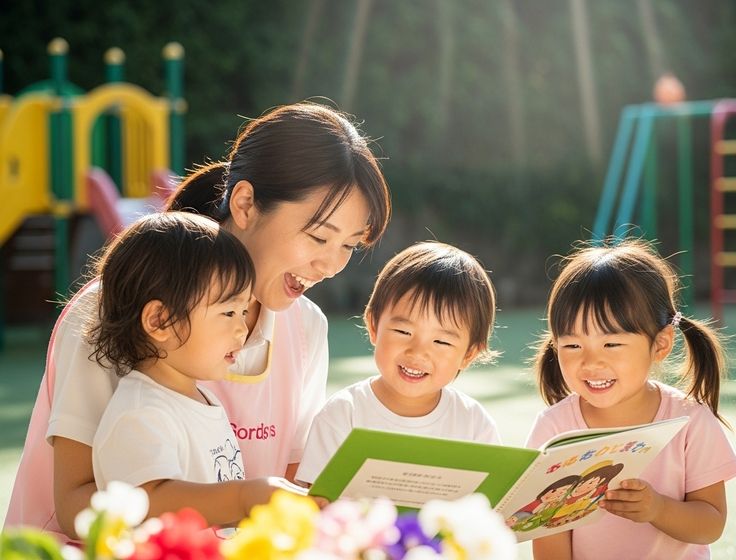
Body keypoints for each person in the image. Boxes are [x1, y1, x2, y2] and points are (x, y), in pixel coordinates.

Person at [5, 102, 391, 540]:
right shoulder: (117, 306)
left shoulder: (306, 327)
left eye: (350, 246)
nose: (331, 265)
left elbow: (291, 485)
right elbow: (77, 506)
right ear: (245, 203)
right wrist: (239, 499)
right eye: (319, 236)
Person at [526, 239, 736, 560]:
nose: (591, 362)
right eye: (572, 346)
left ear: (660, 344)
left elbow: (711, 522)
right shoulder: (554, 426)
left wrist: (658, 509)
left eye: (611, 344)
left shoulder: (689, 420)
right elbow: (547, 533)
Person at [86, 212, 294, 525]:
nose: (242, 328)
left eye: (244, 311)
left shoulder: (199, 400)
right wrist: (244, 498)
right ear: (160, 320)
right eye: (228, 313)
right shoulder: (141, 413)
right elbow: (148, 502)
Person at [296, 241, 501, 486]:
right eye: (403, 331)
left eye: (441, 342)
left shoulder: (473, 424)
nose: (418, 352)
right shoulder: (343, 414)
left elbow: (491, 504)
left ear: (468, 354)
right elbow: (311, 503)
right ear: (373, 326)